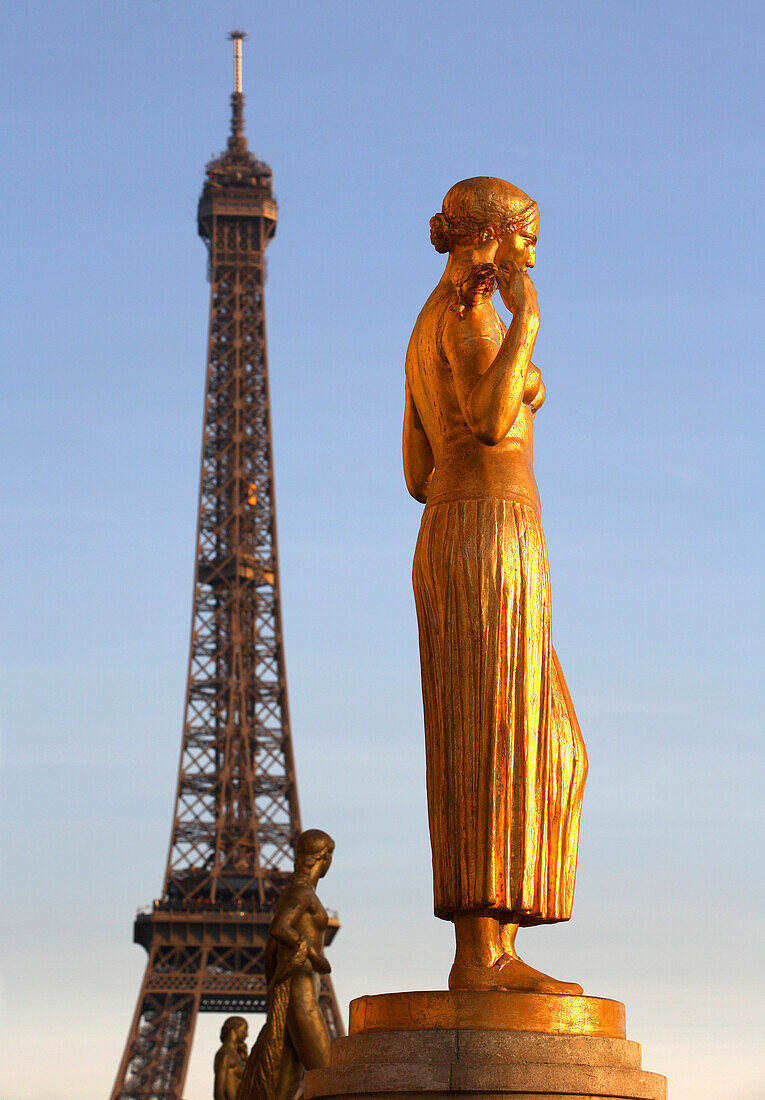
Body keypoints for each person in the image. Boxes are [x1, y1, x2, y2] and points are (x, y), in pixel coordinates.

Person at [404, 177, 588, 994]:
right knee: (497, 732)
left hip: (462, 525)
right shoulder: (470, 316)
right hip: (488, 531)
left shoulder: (426, 323)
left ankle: (496, 946)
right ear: (494, 234)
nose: (534, 253)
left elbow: (415, 470)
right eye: (528, 237)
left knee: (543, 745)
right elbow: (483, 416)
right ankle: (481, 955)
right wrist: (530, 324)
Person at [237, 830, 334, 1100]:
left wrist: (275, 985)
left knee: (285, 1084)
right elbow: (279, 928)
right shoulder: (302, 892)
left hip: (298, 987)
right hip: (300, 991)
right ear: (323, 858)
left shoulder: (299, 891)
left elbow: (271, 950)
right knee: (329, 1075)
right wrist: (315, 957)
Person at [214, 1016, 248, 1100]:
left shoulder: (235, 1054)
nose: (247, 1034)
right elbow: (219, 1093)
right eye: (245, 1029)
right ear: (234, 1029)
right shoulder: (225, 1054)